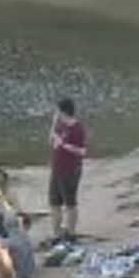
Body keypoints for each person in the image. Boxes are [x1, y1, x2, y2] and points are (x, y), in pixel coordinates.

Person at [49, 98, 88, 243]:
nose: (56, 113)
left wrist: (64, 145)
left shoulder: (78, 129)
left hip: (71, 170)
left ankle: (71, 233)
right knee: (54, 203)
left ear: (63, 111)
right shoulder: (60, 126)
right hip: (57, 168)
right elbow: (51, 142)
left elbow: (82, 151)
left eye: (58, 111)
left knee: (70, 202)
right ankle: (56, 233)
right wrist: (53, 125)